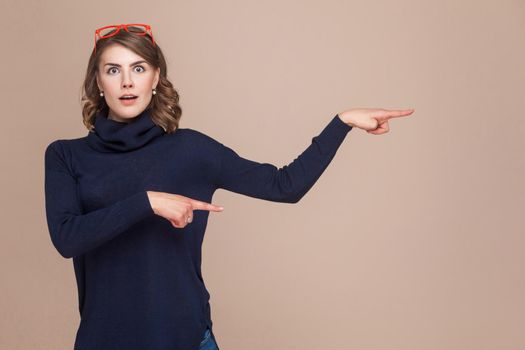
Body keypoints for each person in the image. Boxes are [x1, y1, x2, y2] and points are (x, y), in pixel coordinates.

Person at [43, 23, 414, 350]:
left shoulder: (191, 150)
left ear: (155, 78)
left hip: (187, 339)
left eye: (138, 68)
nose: (126, 81)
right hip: (106, 341)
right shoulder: (66, 156)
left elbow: (285, 185)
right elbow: (67, 238)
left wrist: (341, 123)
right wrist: (148, 202)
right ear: (98, 81)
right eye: (113, 70)